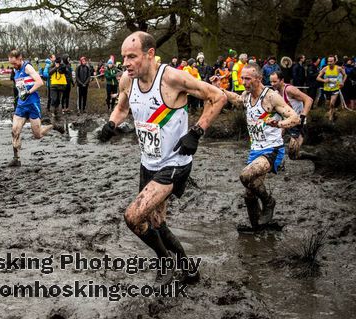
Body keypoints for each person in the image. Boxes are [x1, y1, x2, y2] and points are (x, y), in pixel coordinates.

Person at [99, 31, 227, 283]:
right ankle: (189, 270)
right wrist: (111, 124)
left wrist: (197, 132)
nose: (126, 62)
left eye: (132, 56)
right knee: (156, 222)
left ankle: (165, 262)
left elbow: (218, 96)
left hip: (175, 163)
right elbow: (123, 107)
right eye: (124, 56)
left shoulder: (172, 78)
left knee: (133, 217)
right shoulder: (127, 79)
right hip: (148, 161)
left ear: (150, 54)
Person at [213, 64, 299, 229]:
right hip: (255, 150)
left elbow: (295, 118)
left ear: (259, 79)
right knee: (249, 193)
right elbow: (236, 99)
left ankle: (269, 202)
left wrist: (279, 123)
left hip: (272, 149)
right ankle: (257, 228)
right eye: (242, 78)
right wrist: (220, 89)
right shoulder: (246, 95)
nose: (244, 82)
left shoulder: (271, 97)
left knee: (245, 176)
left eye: (248, 79)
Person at [7, 49, 54, 167]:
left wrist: (28, 92)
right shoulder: (15, 69)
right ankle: (16, 159)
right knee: (15, 131)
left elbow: (39, 82)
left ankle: (53, 126)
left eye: (14, 63)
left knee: (37, 135)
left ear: (20, 58)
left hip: (33, 104)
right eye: (11, 64)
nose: (13, 66)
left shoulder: (27, 67)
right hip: (21, 105)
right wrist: (18, 97)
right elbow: (19, 86)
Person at [270, 71, 313, 160]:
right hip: (286, 121)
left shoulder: (289, 89)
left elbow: (309, 99)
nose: (272, 84)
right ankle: (278, 163)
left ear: (282, 80)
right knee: (273, 143)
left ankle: (314, 158)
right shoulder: (276, 92)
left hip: (297, 123)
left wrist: (303, 116)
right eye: (271, 82)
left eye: (275, 81)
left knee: (293, 154)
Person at [316, 55, 346, 121]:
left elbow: (345, 75)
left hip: (335, 89)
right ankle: (332, 113)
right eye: (328, 61)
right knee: (328, 105)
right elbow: (318, 78)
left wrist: (342, 82)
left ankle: (330, 119)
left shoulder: (339, 68)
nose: (329, 63)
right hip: (327, 89)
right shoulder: (325, 68)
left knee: (332, 104)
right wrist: (324, 80)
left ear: (335, 61)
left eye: (331, 61)